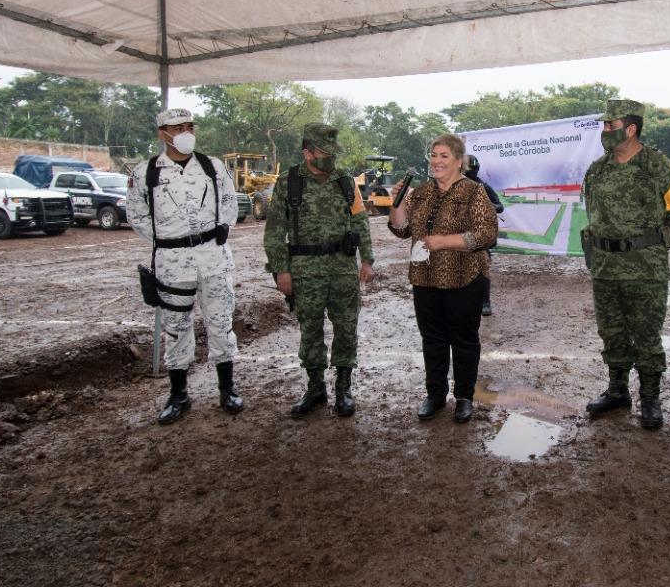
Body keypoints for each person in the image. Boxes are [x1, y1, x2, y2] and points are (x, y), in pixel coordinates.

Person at [127, 108, 242, 425]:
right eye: (177, 127)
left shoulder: (212, 166)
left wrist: (215, 231)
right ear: (162, 133)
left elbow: (230, 204)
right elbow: (136, 215)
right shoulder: (146, 172)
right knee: (176, 328)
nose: (185, 132)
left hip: (213, 258)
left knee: (220, 322)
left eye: (189, 126)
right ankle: (178, 395)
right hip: (172, 263)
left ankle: (227, 389)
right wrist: (167, 239)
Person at [581, 99, 670, 430]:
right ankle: (617, 391)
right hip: (605, 266)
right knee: (611, 331)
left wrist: (656, 246)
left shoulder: (660, 167)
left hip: (644, 268)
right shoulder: (597, 169)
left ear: (631, 129)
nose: (604, 132)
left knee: (645, 333)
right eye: (603, 126)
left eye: (610, 126)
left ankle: (650, 398)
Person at [264, 123, 375, 418]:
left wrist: (367, 259)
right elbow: (274, 232)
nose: (331, 158)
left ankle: (343, 388)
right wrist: (281, 271)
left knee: (346, 326)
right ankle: (315, 388)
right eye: (325, 152)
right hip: (305, 270)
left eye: (333, 152)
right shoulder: (289, 182)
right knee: (310, 329)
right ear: (308, 153)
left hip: (342, 268)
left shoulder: (345, 181)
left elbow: (360, 221)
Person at [389, 134, 498, 423]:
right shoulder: (422, 193)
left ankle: (464, 397)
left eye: (444, 156)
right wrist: (396, 202)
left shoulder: (474, 192)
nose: (436, 161)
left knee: (464, 340)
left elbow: (487, 234)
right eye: (434, 155)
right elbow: (401, 229)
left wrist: (445, 241)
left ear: (459, 162)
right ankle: (435, 395)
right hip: (424, 278)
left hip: (465, 278)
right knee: (433, 340)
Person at [465, 154, 504, 316]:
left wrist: (486, 206)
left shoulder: (484, 187)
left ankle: (485, 302)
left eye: (471, 170)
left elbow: (500, 206)